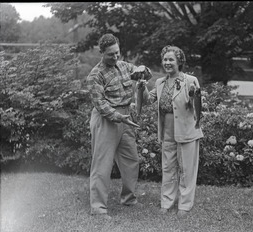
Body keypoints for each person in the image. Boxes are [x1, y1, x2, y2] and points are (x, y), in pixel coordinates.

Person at [86, 33, 152, 219]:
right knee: (102, 165)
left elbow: (144, 73)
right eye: (110, 54)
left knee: (131, 160)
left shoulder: (125, 66)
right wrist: (119, 117)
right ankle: (98, 209)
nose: (115, 57)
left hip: (126, 117)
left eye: (117, 53)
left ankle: (129, 199)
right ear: (101, 53)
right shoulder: (95, 75)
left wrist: (143, 71)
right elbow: (101, 105)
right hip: (106, 120)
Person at [139, 45, 204, 218]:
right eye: (165, 59)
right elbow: (147, 100)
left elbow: (194, 104)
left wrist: (191, 96)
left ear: (179, 62)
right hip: (167, 130)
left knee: (186, 169)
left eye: (171, 60)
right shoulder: (160, 82)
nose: (167, 63)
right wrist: (141, 86)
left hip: (187, 129)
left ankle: (184, 205)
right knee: (168, 168)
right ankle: (166, 202)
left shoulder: (190, 80)